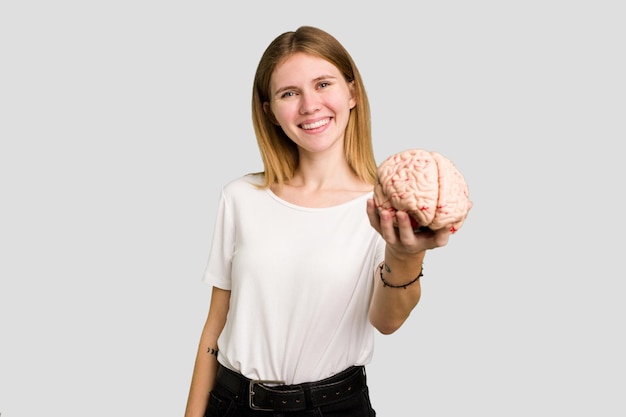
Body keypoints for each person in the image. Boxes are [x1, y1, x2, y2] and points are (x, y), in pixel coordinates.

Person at [184, 25, 455, 417]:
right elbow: (214, 327)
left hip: (334, 408)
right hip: (233, 405)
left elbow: (387, 321)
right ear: (271, 112)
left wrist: (406, 254)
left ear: (352, 94)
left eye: (323, 84)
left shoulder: (385, 207)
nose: (309, 105)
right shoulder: (240, 197)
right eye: (289, 93)